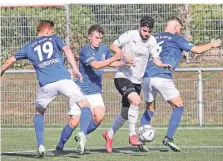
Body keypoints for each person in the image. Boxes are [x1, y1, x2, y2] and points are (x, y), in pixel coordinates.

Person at [0, 20, 93, 158]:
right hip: (63, 80)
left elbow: (10, 61)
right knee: (85, 104)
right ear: (47, 30)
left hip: (46, 85)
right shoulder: (54, 38)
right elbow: (67, 50)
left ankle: (40, 146)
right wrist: (75, 69)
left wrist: (1, 72)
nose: (53, 33)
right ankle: (83, 133)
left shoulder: (28, 46)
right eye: (53, 30)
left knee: (39, 112)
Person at [138, 16, 221, 152]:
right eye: (179, 29)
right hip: (162, 76)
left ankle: (141, 139)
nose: (179, 31)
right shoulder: (177, 39)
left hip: (147, 77)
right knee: (178, 106)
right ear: (176, 27)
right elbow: (197, 50)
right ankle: (168, 138)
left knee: (149, 109)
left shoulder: (154, 37)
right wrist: (212, 44)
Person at [55, 24, 129, 155]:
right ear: (90, 37)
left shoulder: (103, 49)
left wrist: (123, 63)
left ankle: (82, 135)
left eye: (101, 38)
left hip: (95, 91)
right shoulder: (85, 50)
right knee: (73, 122)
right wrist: (115, 57)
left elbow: (108, 62)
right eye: (96, 37)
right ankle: (59, 147)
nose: (99, 40)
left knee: (99, 116)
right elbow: (95, 65)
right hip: (81, 90)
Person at [102, 16, 172, 153]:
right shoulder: (130, 35)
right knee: (136, 100)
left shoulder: (152, 41)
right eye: (144, 30)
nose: (146, 33)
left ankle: (109, 135)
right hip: (122, 76)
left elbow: (156, 59)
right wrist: (123, 55)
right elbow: (113, 45)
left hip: (137, 81)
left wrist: (163, 66)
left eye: (149, 31)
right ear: (140, 26)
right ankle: (132, 135)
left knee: (124, 114)